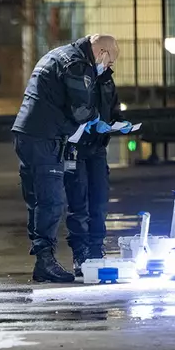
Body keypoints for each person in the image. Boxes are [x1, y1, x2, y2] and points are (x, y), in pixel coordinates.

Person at [12, 34, 124, 283]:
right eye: (108, 63)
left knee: (38, 201)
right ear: (103, 53)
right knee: (51, 201)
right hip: (44, 137)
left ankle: (43, 258)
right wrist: (97, 120)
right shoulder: (77, 63)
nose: (105, 69)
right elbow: (80, 109)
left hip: (28, 133)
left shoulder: (58, 54)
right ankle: (45, 261)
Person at [64, 57, 128, 278]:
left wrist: (120, 121)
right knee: (79, 203)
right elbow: (72, 109)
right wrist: (91, 122)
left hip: (98, 149)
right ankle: (80, 254)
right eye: (109, 55)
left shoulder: (107, 81)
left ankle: (96, 250)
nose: (112, 61)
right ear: (99, 53)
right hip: (76, 149)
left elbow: (114, 108)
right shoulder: (78, 76)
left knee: (99, 201)